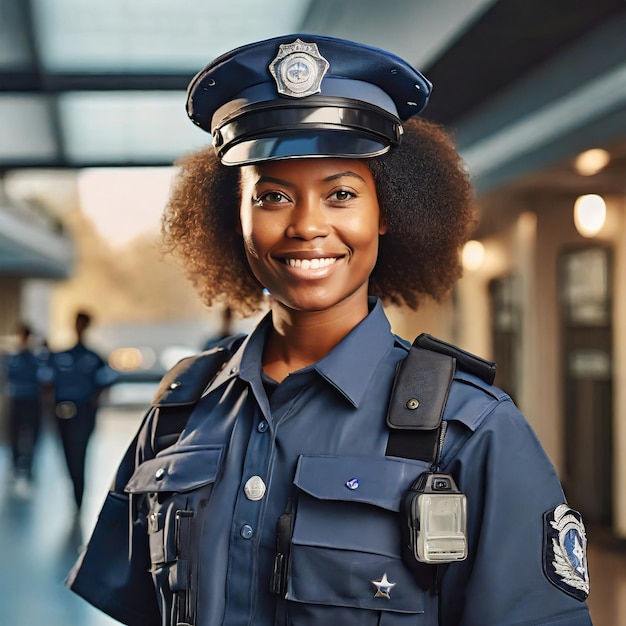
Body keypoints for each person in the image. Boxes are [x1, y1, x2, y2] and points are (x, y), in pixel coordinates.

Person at [67, 34, 592, 625]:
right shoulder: (179, 411)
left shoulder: (472, 432)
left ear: (388, 211)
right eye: (272, 196)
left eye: (341, 193)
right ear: (232, 216)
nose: (307, 226)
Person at [46, 310, 112, 511]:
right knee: (67, 452)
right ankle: (74, 488)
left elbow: (105, 384)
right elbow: (47, 384)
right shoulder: (59, 357)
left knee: (80, 452)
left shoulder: (94, 358)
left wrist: (94, 405)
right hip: (63, 411)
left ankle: (79, 495)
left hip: (83, 412)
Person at [4, 322, 44, 483]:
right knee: (15, 434)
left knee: (32, 434)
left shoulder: (35, 358)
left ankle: (29, 465)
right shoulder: (12, 358)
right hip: (17, 400)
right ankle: (15, 465)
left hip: (32, 400)